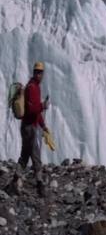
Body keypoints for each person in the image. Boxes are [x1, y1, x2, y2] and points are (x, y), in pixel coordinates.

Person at [14, 62, 50, 196]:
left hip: (28, 126)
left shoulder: (33, 87)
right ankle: (40, 186)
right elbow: (32, 109)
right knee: (35, 156)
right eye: (37, 72)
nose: (39, 74)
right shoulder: (32, 88)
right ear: (35, 73)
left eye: (40, 72)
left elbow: (36, 112)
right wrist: (43, 105)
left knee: (25, 155)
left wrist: (43, 125)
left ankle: (15, 180)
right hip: (29, 128)